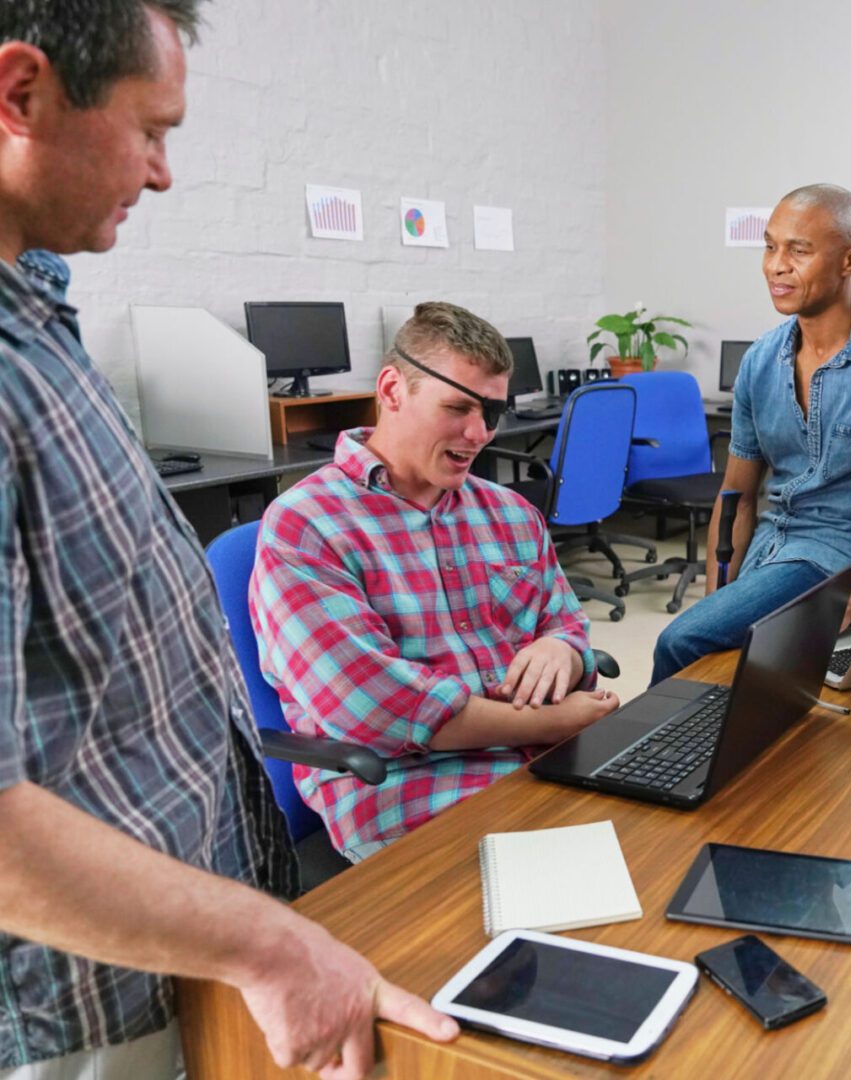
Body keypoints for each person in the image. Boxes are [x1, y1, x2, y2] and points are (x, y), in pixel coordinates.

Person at [0, 4, 458, 1078]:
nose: (162, 173)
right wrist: (268, 946)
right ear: (19, 94)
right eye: (150, 129)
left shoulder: (35, 305)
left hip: (189, 929)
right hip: (88, 993)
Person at [251, 302, 619, 862]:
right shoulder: (308, 524)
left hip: (545, 758)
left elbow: (564, 619)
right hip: (411, 785)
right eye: (458, 407)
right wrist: (551, 721)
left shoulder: (509, 511)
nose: (479, 433)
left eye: (492, 412)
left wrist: (561, 651)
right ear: (394, 389)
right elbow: (374, 707)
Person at [651, 184, 851, 684]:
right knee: (705, 645)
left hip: (846, 559)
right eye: (770, 246)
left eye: (798, 250)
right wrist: (719, 600)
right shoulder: (761, 361)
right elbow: (735, 496)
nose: (776, 265)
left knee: (679, 641)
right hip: (771, 552)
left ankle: (647, 762)